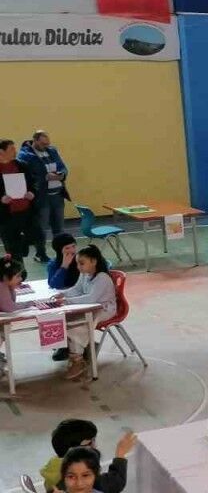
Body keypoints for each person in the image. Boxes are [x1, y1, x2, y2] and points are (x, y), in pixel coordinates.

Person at [52, 246, 116, 381]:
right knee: (66, 319)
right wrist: (63, 294)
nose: (78, 267)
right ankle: (87, 346)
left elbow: (91, 298)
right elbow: (77, 289)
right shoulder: (85, 274)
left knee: (77, 325)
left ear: (94, 261)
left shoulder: (102, 278)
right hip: (89, 307)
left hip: (103, 309)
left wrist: (67, 301)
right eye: (77, 263)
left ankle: (78, 360)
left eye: (82, 263)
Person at [41, 420, 133, 493]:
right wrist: (120, 455)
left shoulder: (53, 466)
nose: (94, 446)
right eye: (89, 443)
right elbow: (114, 483)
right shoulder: (80, 480)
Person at [19, 131, 69, 264]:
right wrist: (45, 177)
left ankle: (61, 254)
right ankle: (40, 254)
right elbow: (27, 176)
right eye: (43, 144)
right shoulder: (25, 155)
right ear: (35, 140)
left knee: (59, 228)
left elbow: (63, 167)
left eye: (48, 144)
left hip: (57, 195)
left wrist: (62, 175)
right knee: (41, 229)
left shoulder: (52, 151)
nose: (46, 146)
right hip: (42, 197)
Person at [0, 139, 38, 263]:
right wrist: (1, 199)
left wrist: (32, 192)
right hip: (6, 216)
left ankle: (23, 247)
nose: (15, 151)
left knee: (33, 238)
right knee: (12, 249)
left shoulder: (21, 165)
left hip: (26, 212)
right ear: (1, 152)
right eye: (11, 149)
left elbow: (33, 183)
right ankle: (18, 271)